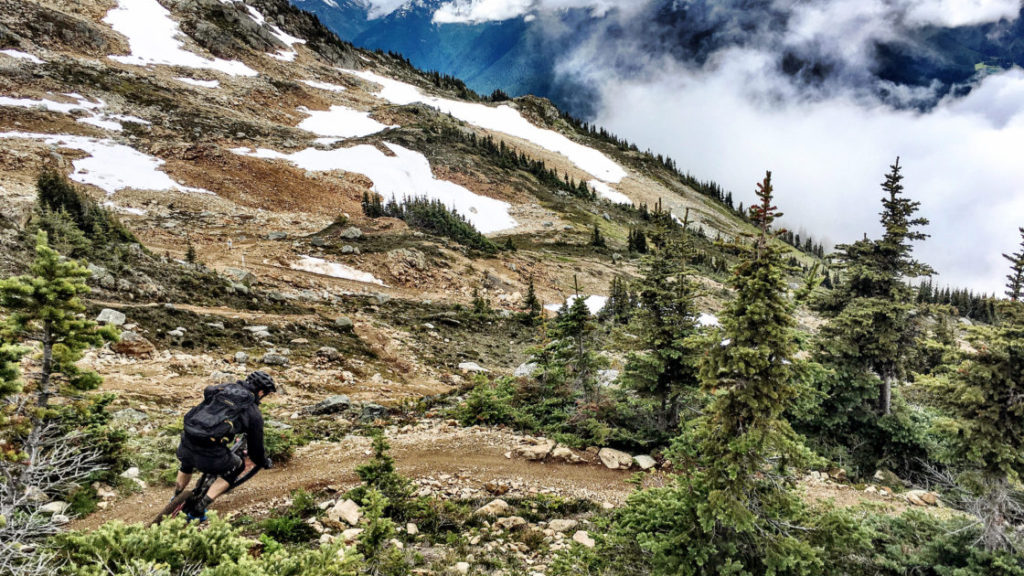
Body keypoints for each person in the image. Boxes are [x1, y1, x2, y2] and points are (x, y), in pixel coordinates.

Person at [174, 371, 276, 519]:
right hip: (210, 453)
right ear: (260, 392)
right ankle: (198, 510)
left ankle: (176, 497)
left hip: (187, 441)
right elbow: (255, 450)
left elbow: (208, 390)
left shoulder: (224, 388)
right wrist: (263, 462)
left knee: (187, 463)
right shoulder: (253, 413)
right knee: (237, 467)